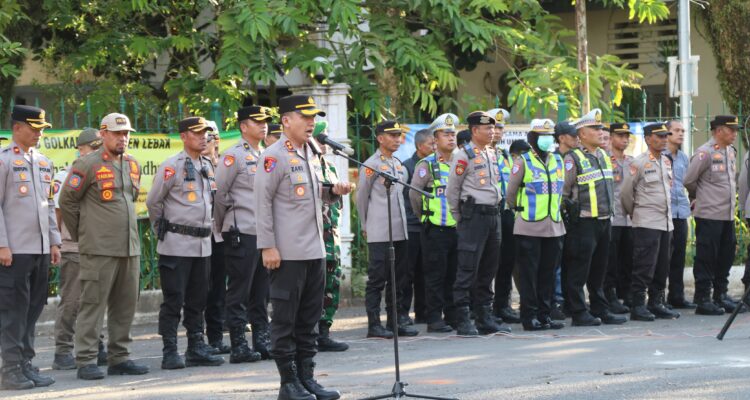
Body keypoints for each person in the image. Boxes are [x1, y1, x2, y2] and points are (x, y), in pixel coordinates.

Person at [256, 94, 351, 400]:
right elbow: (262, 203)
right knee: (286, 320)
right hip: (287, 253)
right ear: (286, 121)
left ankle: (307, 379)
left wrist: (332, 191)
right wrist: (267, 246)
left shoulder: (311, 152)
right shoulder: (273, 156)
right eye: (305, 117)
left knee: (309, 319)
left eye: (313, 117)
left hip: (315, 249)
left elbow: (310, 194)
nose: (311, 123)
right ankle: (288, 383)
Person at [59, 113, 149, 380]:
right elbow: (67, 201)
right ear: (104, 134)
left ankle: (119, 357)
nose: (123, 138)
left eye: (126, 134)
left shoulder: (132, 164)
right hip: (98, 248)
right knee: (92, 304)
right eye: (117, 133)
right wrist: (84, 233)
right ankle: (86, 359)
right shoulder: (87, 163)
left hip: (129, 248)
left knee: (125, 305)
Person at [147, 117, 225, 370]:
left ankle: (196, 347)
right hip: (177, 243)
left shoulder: (206, 165)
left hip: (203, 244)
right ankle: (170, 351)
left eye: (205, 133)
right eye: (197, 133)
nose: (203, 137)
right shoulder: (172, 166)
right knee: (174, 299)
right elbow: (153, 202)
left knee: (198, 299)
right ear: (183, 136)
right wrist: (162, 229)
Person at [0, 105, 61, 390]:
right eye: (34, 128)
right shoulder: (4, 161)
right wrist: (2, 245)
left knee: (32, 310)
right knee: (13, 311)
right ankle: (10, 369)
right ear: (17, 128)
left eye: (42, 129)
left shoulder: (43, 162)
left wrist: (54, 242)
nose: (39, 134)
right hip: (14, 251)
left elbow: (48, 205)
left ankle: (25, 364)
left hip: (40, 249)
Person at [214, 105, 271, 362]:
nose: (263, 125)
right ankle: (238, 344)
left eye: (265, 121)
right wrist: (222, 226)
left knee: (261, 290)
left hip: (264, 233)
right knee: (239, 290)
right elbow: (220, 195)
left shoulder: (268, 155)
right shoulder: (233, 156)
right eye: (257, 121)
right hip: (241, 230)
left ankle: (262, 340)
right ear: (243, 126)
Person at [562, 109, 626, 326]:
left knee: (600, 270)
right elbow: (563, 192)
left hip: (604, 220)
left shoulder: (603, 156)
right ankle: (579, 312)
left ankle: (600, 309)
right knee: (579, 270)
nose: (600, 132)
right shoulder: (573, 158)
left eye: (600, 128)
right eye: (595, 128)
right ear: (582, 134)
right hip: (584, 222)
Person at [52, 128, 108, 371]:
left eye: (99, 147)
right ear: (80, 149)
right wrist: (61, 242)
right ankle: (63, 350)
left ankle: (96, 345)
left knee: (96, 300)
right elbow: (58, 213)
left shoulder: (104, 173)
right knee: (72, 301)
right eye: (91, 148)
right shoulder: (66, 175)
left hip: (98, 247)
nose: (96, 152)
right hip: (74, 247)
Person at [357, 120, 419, 338]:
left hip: (399, 229)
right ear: (380, 138)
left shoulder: (398, 164)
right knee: (377, 278)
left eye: (399, 135)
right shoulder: (371, 164)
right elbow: (361, 197)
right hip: (379, 230)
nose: (397, 139)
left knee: (398, 278)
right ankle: (374, 324)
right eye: (392, 135)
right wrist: (365, 225)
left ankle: (395, 321)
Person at [446, 111, 506, 336]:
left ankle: (484, 317)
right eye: (487, 128)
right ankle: (463, 318)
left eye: (493, 128)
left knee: (489, 268)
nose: (492, 132)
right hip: (474, 217)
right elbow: (453, 189)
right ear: (474, 130)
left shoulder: (491, 153)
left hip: (493, 215)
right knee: (467, 269)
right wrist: (459, 216)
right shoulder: (463, 155)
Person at [506, 119, 566, 331]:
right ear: (533, 139)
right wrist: (521, 211)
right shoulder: (523, 161)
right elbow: (511, 193)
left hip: (554, 227)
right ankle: (529, 316)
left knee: (548, 274)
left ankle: (544, 315)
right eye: (543, 136)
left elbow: (561, 190)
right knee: (529, 275)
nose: (547, 140)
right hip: (529, 226)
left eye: (550, 136)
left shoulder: (557, 160)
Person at [620, 123, 680, 321]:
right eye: (659, 136)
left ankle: (656, 302)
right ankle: (638, 305)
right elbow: (626, 193)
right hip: (646, 222)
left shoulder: (666, 161)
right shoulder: (639, 163)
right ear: (647, 139)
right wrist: (635, 213)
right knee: (644, 266)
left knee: (662, 266)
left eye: (665, 136)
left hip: (666, 222)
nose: (664, 140)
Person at [409, 114, 460, 333]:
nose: (451, 138)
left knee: (454, 275)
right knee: (435, 276)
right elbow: (414, 195)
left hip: (457, 228)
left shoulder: (460, 162)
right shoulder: (427, 164)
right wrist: (424, 216)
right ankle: (434, 319)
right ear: (435, 139)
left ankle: (453, 316)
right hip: (435, 228)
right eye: (445, 134)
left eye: (453, 134)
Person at [685, 115, 741, 315]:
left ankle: (720, 295)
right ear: (718, 130)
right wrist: (700, 196)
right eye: (731, 130)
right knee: (707, 257)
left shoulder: (730, 151)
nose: (735, 134)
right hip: (709, 214)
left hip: (727, 214)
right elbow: (689, 180)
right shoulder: (705, 153)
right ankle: (703, 298)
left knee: (725, 255)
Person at [313, 130, 349, 352]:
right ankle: (308, 334)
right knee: (313, 286)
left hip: (331, 234)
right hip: (313, 234)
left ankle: (324, 332)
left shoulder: (330, 168)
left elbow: (338, 204)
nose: (324, 143)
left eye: (325, 139)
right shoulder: (307, 167)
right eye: (320, 139)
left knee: (332, 283)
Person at [487, 108, 521, 324]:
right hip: (487, 213)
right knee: (486, 263)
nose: (498, 131)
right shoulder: (477, 154)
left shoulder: (505, 155)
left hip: (506, 213)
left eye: (501, 127)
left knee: (506, 261)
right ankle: (481, 307)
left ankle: (502, 305)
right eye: (494, 127)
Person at [202, 121, 231, 354]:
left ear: (217, 140)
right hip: (199, 235)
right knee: (199, 289)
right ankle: (197, 341)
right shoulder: (190, 165)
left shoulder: (223, 165)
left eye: (208, 138)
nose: (204, 142)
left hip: (220, 234)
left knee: (218, 288)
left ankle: (216, 338)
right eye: (201, 137)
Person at [401, 128, 433, 325]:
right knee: (408, 272)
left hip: (429, 225)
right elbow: (405, 197)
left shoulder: (434, 164)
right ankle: (403, 314)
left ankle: (423, 312)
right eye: (431, 144)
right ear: (420, 146)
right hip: (412, 224)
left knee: (426, 271)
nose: (434, 147)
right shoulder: (408, 166)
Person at [663, 120, 696, 309]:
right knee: (662, 258)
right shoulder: (658, 156)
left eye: (683, 130)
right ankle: (658, 297)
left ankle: (676, 296)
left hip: (680, 212)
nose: (681, 133)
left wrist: (693, 197)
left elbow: (690, 182)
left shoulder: (684, 158)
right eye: (676, 130)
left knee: (679, 256)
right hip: (663, 213)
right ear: (666, 133)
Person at [604, 123, 633, 314]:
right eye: (620, 136)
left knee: (628, 260)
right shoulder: (604, 159)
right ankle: (610, 296)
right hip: (612, 218)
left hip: (629, 218)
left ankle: (627, 295)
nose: (625, 139)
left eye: (627, 136)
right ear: (611, 137)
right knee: (610, 261)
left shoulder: (632, 161)